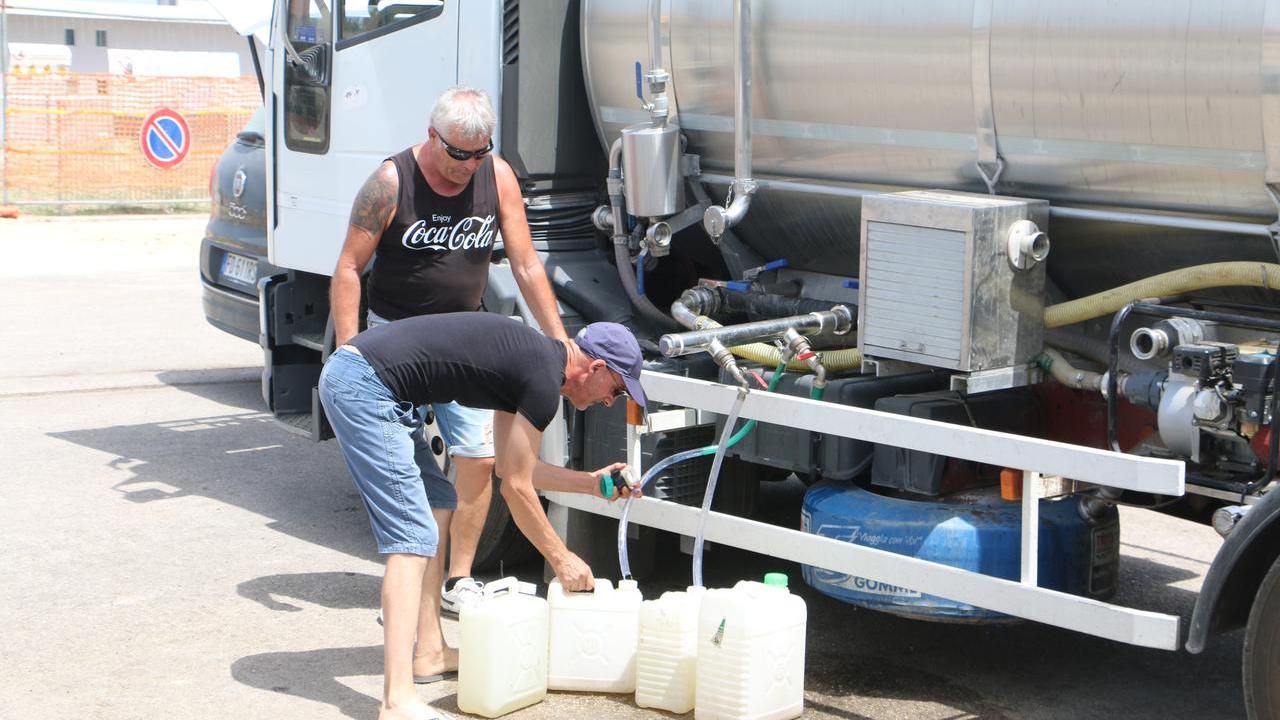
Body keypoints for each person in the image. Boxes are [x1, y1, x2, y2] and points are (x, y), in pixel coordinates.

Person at [318, 312, 646, 720]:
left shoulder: (535, 367)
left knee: (438, 501)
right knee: (413, 537)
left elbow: (512, 471)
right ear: (596, 368)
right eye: (615, 389)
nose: (610, 401)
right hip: (364, 384)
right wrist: (561, 558)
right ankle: (396, 700)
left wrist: (591, 483)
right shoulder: (542, 380)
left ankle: (431, 652)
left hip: (377, 385)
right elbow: (517, 489)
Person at [330, 86, 568, 621]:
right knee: (408, 470)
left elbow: (527, 265)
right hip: (397, 345)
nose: (468, 167)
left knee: (480, 459)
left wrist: (559, 339)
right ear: (432, 136)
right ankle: (408, 583)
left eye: (479, 153)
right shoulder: (391, 182)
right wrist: (348, 352)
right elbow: (348, 268)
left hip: (464, 344)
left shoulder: (496, 174)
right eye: (458, 154)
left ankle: (456, 579)